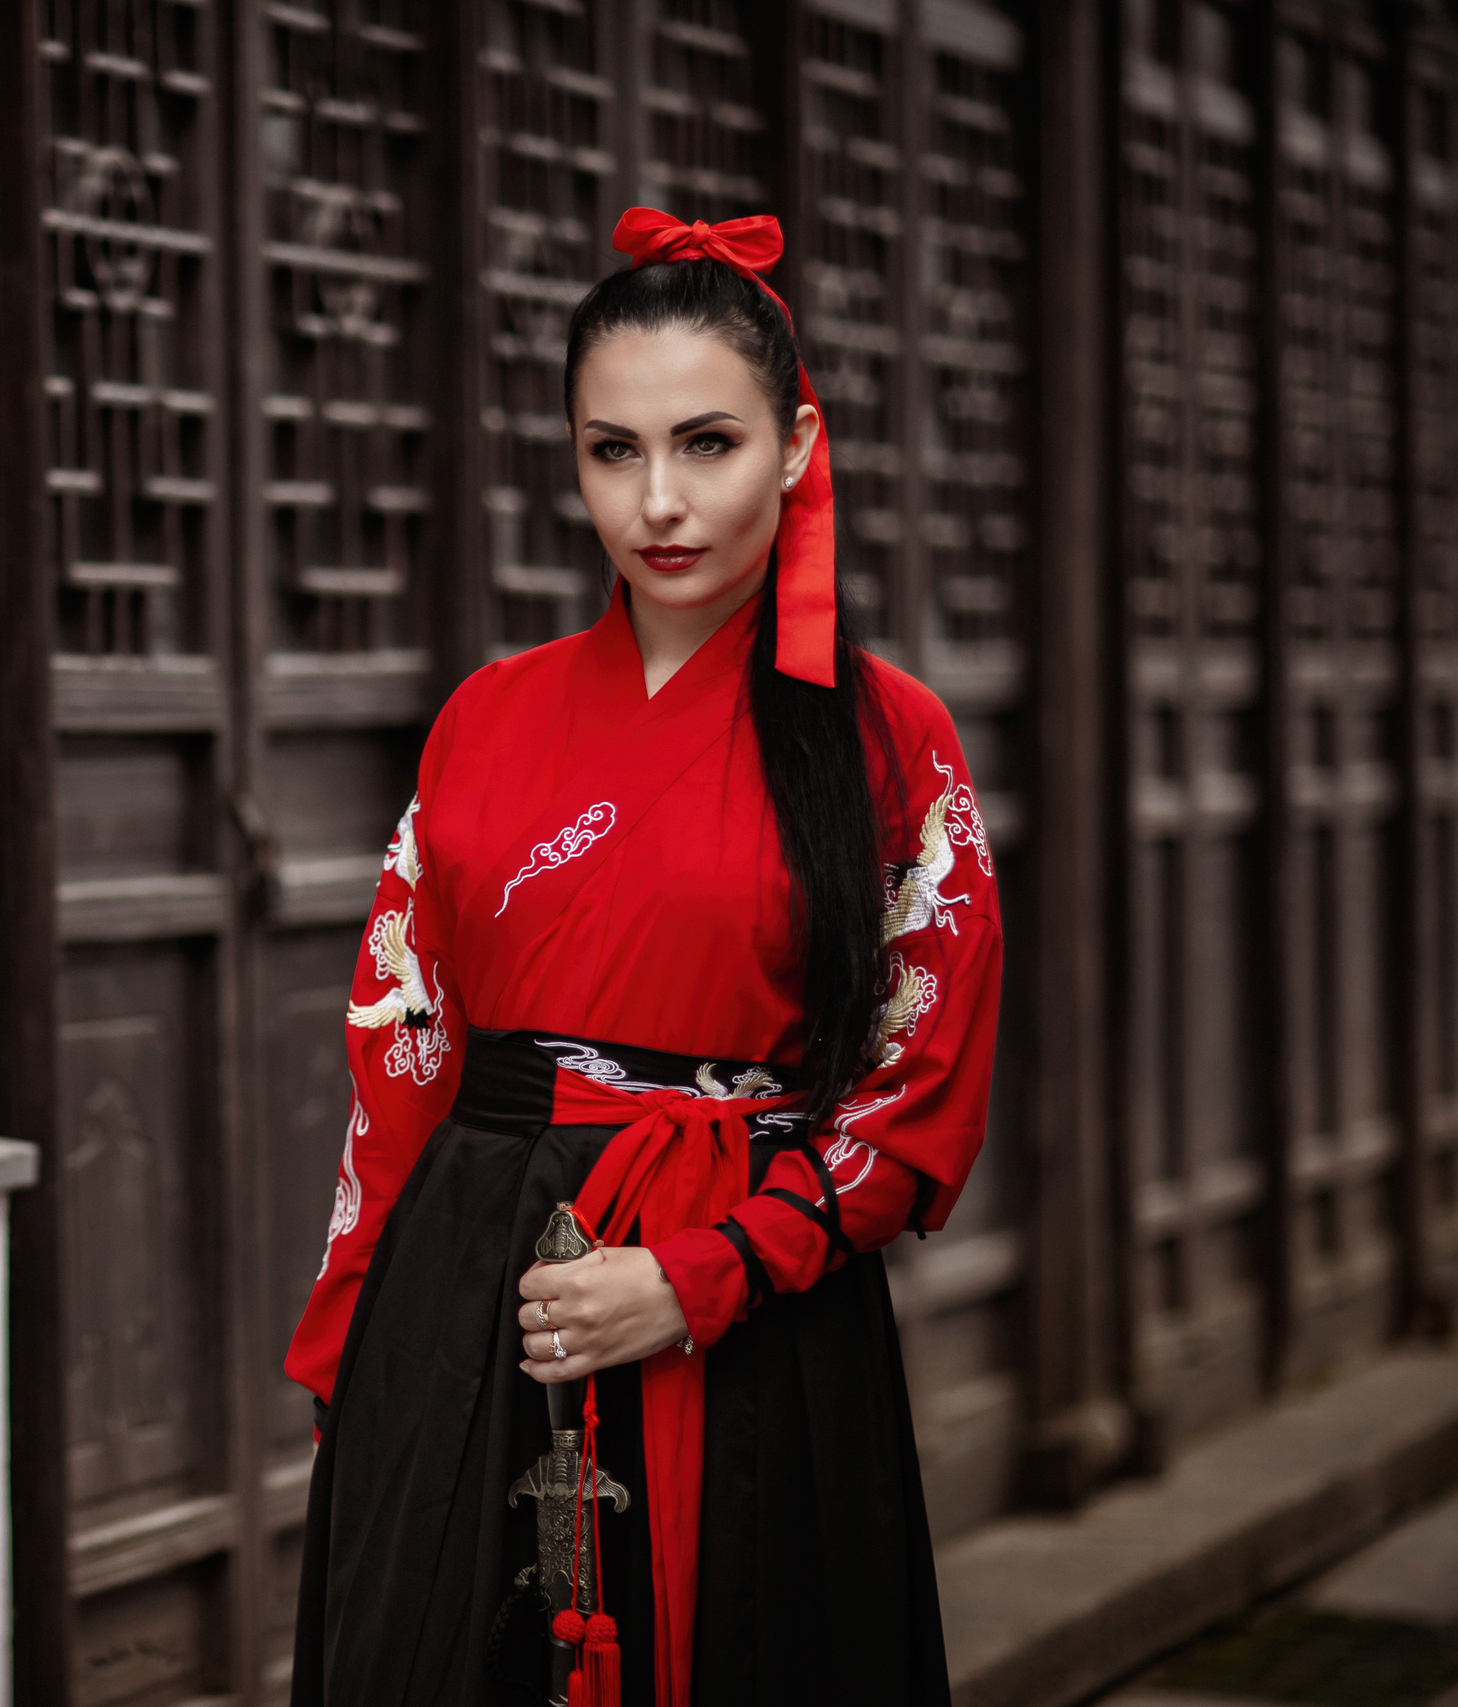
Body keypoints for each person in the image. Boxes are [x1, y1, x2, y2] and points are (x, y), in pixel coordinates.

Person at [284, 209, 1002, 1707]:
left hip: (752, 1318)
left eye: (707, 444)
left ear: (798, 445)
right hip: (475, 1310)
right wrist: (365, 1348)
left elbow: (917, 1092)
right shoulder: (487, 715)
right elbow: (398, 1058)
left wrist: (701, 1276)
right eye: (612, 451)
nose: (659, 503)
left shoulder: (888, 738)